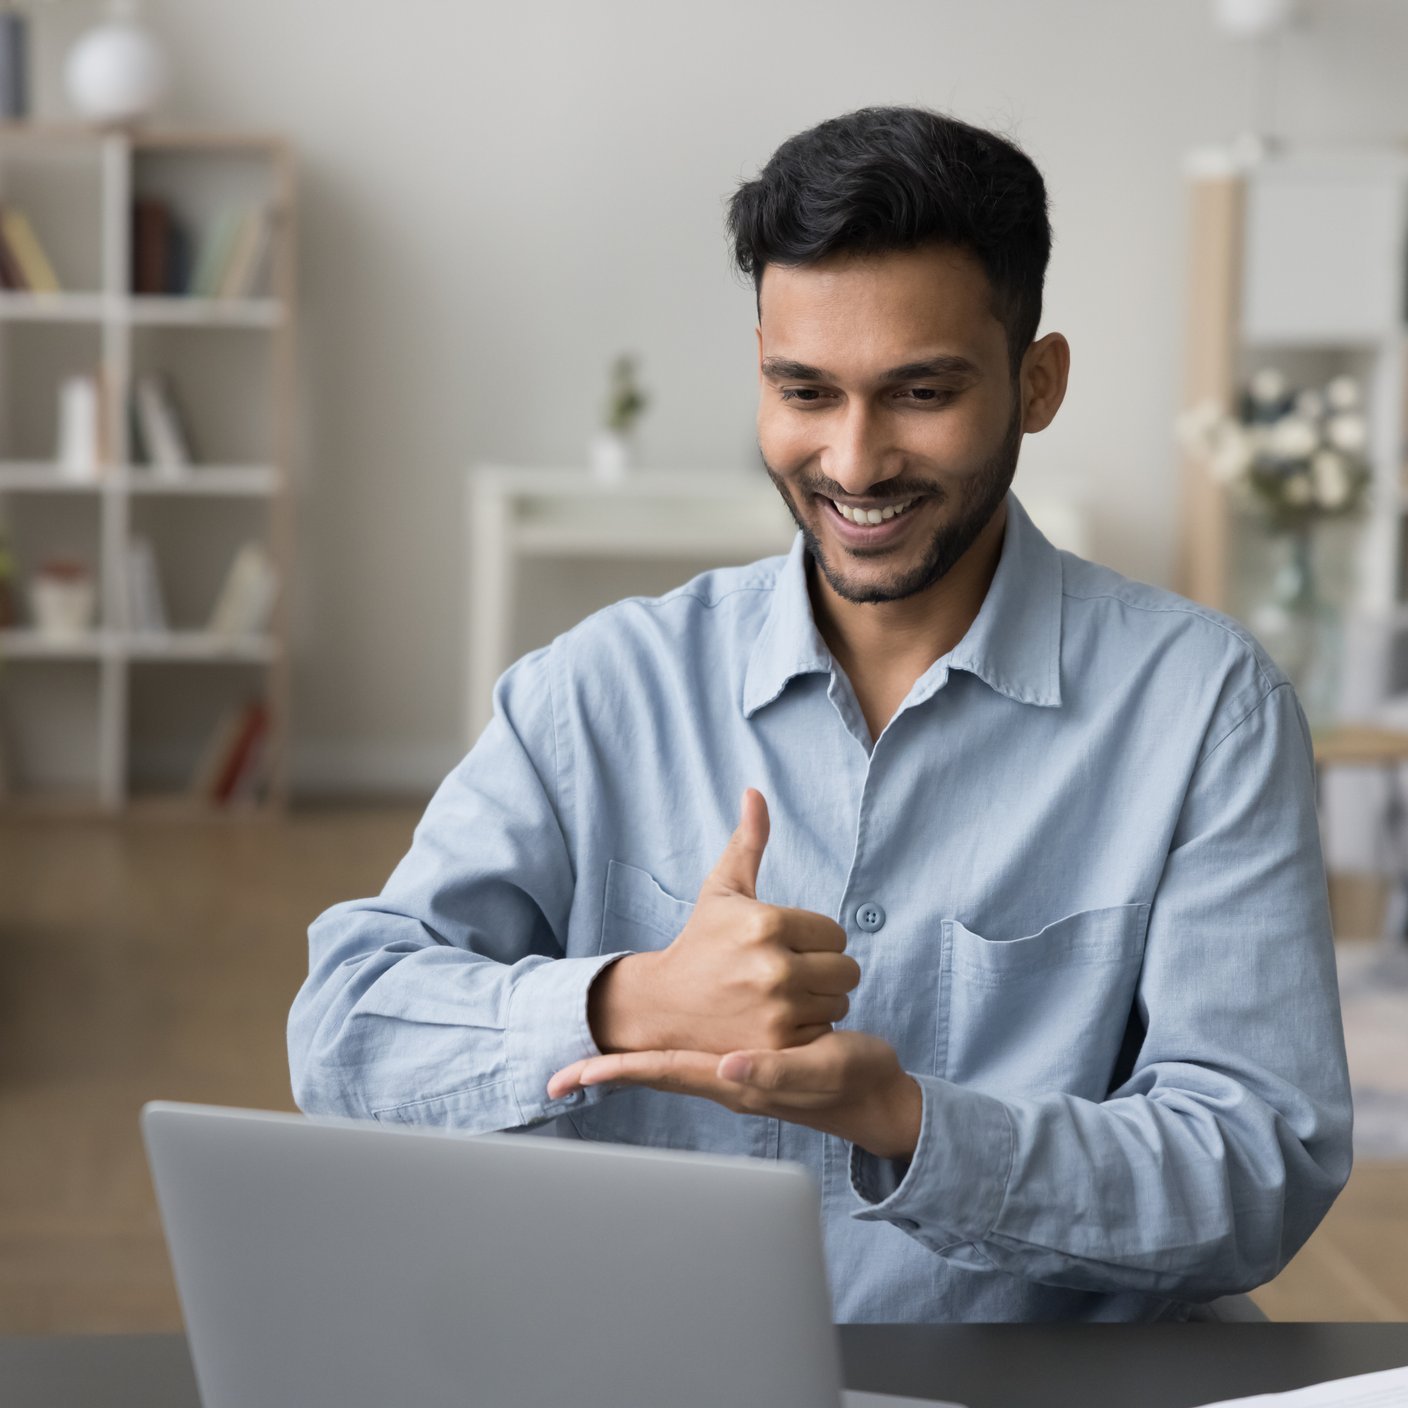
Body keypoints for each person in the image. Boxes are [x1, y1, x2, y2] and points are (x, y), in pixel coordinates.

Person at [288, 105, 1352, 1322]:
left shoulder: (1207, 709)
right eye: (805, 390)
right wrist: (632, 998)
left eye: (920, 391)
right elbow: (345, 1030)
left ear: (1037, 382)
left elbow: (1259, 1161)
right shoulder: (599, 686)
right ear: (761, 371)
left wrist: (912, 1127)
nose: (852, 460)